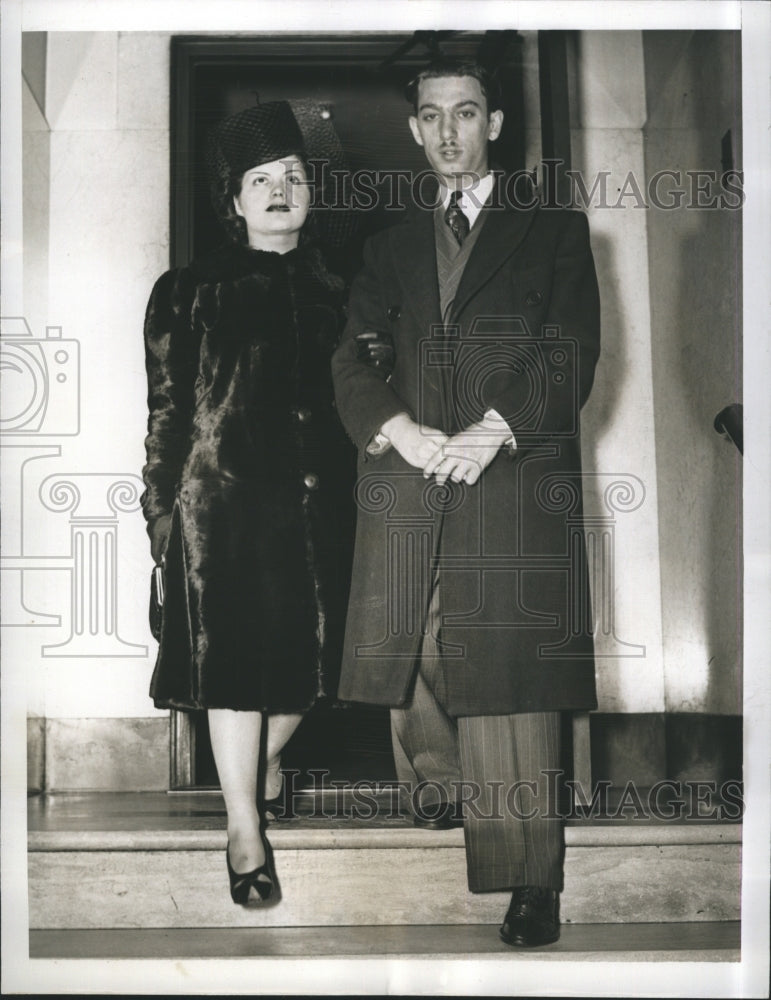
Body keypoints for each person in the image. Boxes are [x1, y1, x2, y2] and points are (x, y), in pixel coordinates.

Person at [331, 59, 600, 946]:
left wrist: (494, 430)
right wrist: (400, 432)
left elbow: (570, 349)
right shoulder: (384, 247)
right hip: (411, 473)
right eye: (432, 115)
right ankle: (441, 792)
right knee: (410, 641)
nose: (449, 131)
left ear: (493, 125)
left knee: (513, 677)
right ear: (413, 129)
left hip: (511, 474)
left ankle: (532, 882)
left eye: (467, 113)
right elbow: (353, 358)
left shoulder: (552, 227)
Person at [141, 101, 354, 906]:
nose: (278, 191)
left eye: (293, 178)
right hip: (219, 512)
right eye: (259, 180)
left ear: (311, 195)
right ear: (231, 200)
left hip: (322, 513)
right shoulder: (190, 290)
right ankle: (244, 832)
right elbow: (165, 410)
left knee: (322, 669)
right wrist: (161, 514)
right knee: (234, 670)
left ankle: (258, 765)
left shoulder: (343, 289)